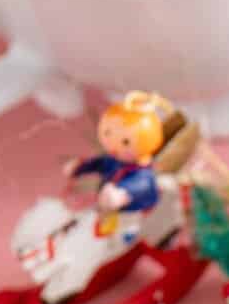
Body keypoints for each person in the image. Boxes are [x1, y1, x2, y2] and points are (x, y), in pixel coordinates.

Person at [69, 92, 169, 237]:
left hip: (131, 213)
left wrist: (122, 192)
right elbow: (99, 164)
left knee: (125, 234)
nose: (113, 145)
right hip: (108, 209)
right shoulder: (115, 159)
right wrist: (80, 167)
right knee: (100, 229)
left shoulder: (144, 174)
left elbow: (140, 186)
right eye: (107, 133)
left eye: (126, 142)